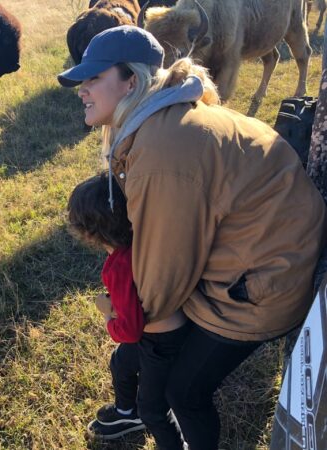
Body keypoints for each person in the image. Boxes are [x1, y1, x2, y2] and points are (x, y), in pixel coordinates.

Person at [58, 25, 327, 450]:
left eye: (93, 78)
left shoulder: (163, 151)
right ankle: (134, 410)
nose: (82, 90)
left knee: (182, 392)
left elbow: (164, 273)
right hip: (260, 258)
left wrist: (120, 312)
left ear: (132, 81)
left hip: (263, 286)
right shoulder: (164, 121)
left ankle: (150, 417)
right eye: (81, 80)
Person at [67, 172, 186, 440]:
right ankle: (125, 412)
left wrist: (108, 314)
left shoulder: (119, 267)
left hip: (160, 342)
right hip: (168, 328)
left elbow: (130, 330)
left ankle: (162, 434)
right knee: (121, 362)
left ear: (89, 234)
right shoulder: (145, 241)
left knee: (154, 410)